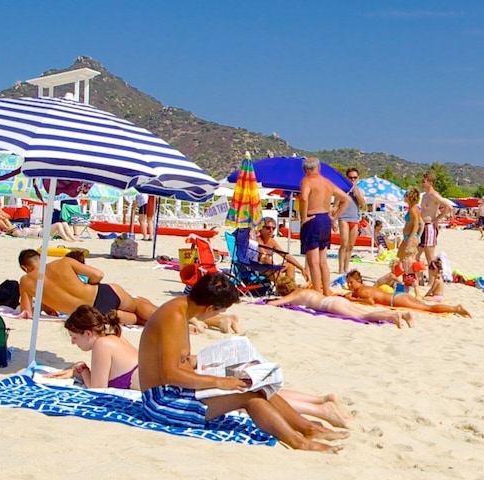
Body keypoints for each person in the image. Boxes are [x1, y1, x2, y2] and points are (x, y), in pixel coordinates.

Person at [136, 274, 346, 452]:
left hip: (176, 390)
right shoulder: (173, 316)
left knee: (256, 384)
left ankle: (308, 428)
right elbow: (170, 374)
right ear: (210, 307)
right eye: (219, 312)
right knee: (248, 395)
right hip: (161, 402)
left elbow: (178, 360)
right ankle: (298, 441)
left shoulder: (181, 310)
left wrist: (214, 366)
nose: (218, 315)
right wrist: (219, 382)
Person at [17, 249, 158, 326]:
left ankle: (165, 322)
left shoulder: (25, 282)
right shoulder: (63, 262)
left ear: (24, 267)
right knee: (137, 304)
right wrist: (87, 285)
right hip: (100, 294)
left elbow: (26, 313)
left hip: (90, 314)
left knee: (137, 319)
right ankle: (171, 319)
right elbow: (98, 274)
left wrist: (46, 304)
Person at [298, 157, 353, 294]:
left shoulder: (307, 181)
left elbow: (304, 197)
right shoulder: (327, 182)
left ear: (305, 170)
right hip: (325, 220)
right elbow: (346, 199)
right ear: (319, 168)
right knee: (323, 261)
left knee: (314, 261)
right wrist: (334, 217)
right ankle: (326, 290)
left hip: (313, 219)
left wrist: (303, 217)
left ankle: (317, 291)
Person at [267, 287, 413, 328]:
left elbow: (274, 304)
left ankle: (393, 316)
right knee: (367, 312)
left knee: (363, 317)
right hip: (334, 299)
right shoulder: (305, 290)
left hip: (329, 305)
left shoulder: (293, 296)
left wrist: (267, 302)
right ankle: (404, 314)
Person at [343, 270, 470, 316]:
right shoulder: (365, 288)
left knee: (428, 308)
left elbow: (370, 301)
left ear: (358, 281)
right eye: (348, 283)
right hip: (398, 296)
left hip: (396, 300)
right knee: (426, 306)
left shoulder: (361, 290)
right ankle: (455, 308)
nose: (349, 286)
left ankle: (455, 308)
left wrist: (353, 300)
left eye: (351, 283)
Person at [416, 173, 455, 269]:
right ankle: (420, 279)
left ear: (430, 183)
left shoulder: (433, 195)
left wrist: (437, 219)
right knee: (416, 255)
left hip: (429, 227)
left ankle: (433, 281)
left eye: (424, 181)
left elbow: (448, 207)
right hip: (422, 227)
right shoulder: (425, 195)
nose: (422, 183)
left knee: (429, 257)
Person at [337, 167, 368, 275]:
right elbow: (336, 205)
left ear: (358, 178)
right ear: (347, 178)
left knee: (350, 245)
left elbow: (363, 205)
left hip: (354, 218)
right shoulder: (342, 189)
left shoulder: (359, 191)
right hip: (343, 218)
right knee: (344, 243)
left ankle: (346, 268)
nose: (352, 180)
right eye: (350, 178)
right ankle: (340, 268)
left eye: (355, 177)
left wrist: (357, 193)